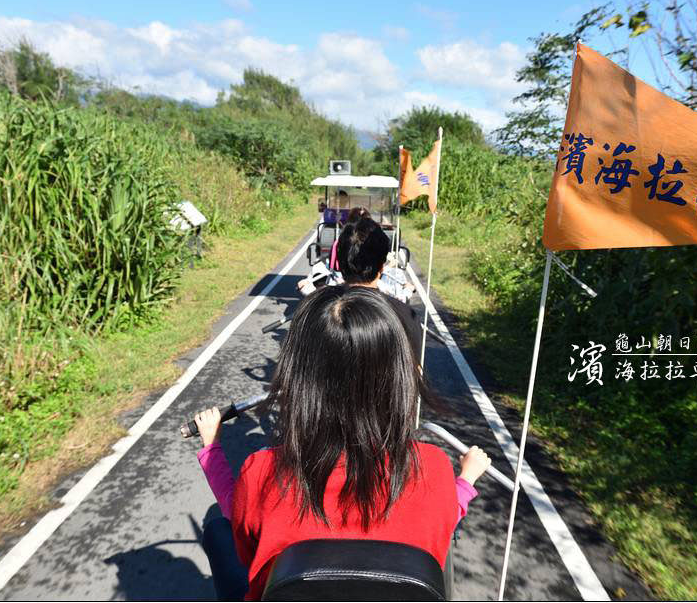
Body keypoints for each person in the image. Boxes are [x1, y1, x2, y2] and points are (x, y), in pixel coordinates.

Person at [194, 286, 491, 600]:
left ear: (298, 378)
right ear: (398, 376)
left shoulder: (262, 472)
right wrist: (466, 480)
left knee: (217, 530)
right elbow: (444, 518)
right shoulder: (433, 468)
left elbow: (243, 534)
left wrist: (211, 447)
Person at [337, 218, 421, 357]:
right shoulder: (406, 316)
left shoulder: (310, 312)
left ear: (339, 262)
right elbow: (415, 372)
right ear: (382, 267)